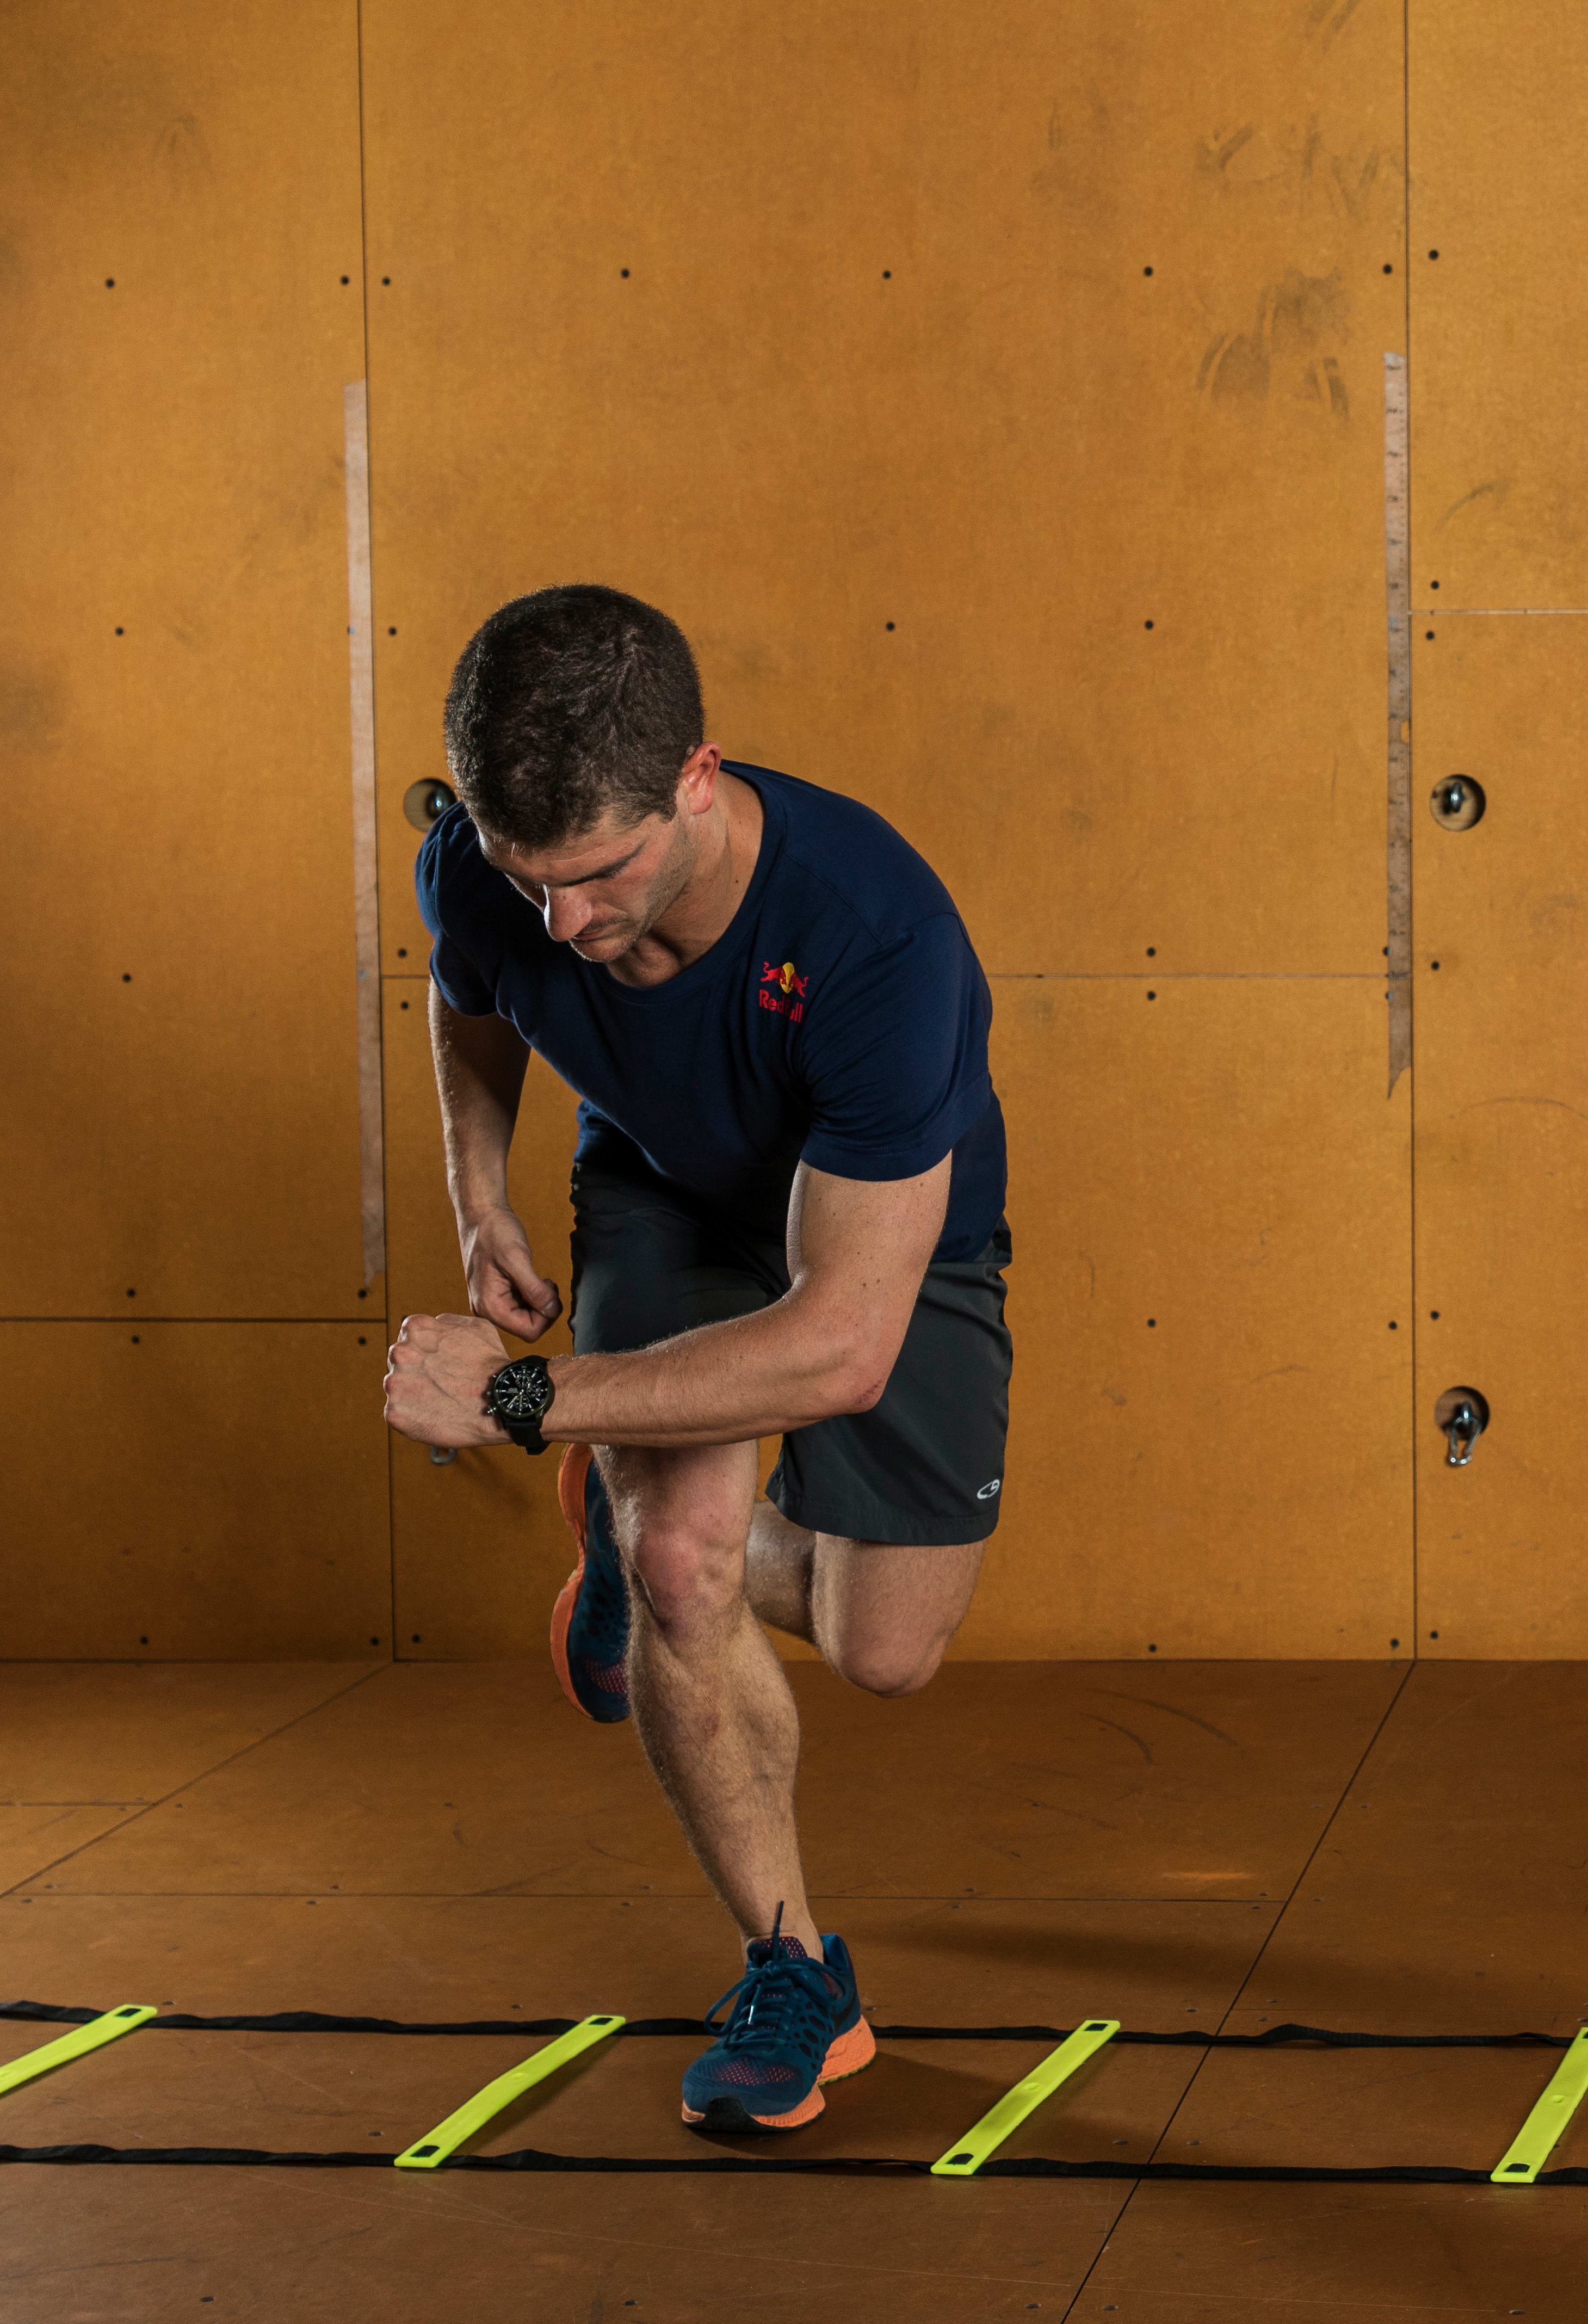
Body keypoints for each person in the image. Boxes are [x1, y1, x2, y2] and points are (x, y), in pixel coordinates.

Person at [380, 583, 1012, 2134]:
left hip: (871, 1239)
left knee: (886, 1650)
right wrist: (480, 1203)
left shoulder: (877, 942)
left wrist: (528, 1400)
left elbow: (838, 1349)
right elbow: (473, 1002)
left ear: (699, 780)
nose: (568, 928)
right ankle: (794, 1967)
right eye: (533, 885)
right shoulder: (489, 870)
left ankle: (616, 1509)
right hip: (664, 1190)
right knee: (683, 1563)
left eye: (599, 878)